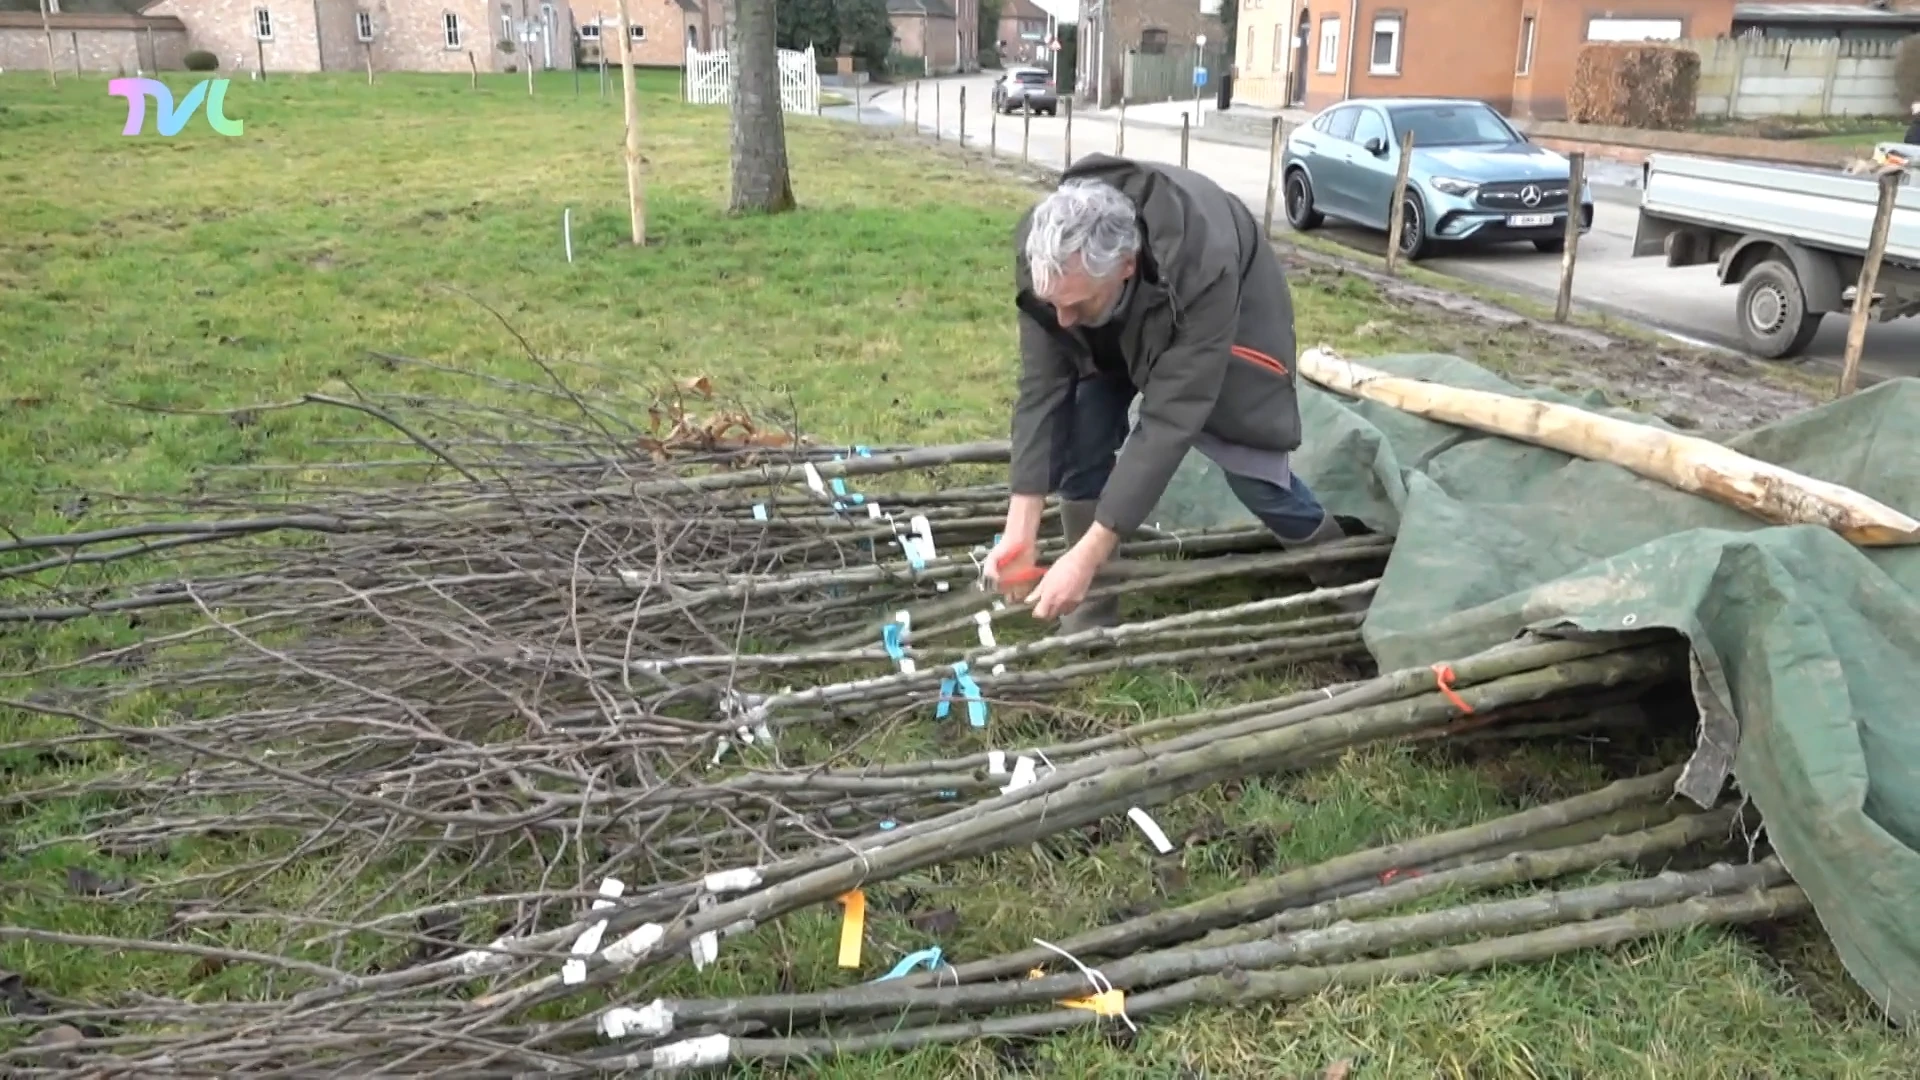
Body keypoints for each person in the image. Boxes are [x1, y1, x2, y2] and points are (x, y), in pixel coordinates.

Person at [985, 154, 1347, 630]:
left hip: (1218, 306)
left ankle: (1348, 580)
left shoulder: (1204, 265)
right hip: (1119, 306)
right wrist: (1021, 526)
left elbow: (1167, 422)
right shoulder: (1048, 256)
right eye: (1053, 305)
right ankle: (1090, 612)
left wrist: (1089, 552)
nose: (1062, 322)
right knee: (1082, 430)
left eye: (1073, 305)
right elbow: (1041, 388)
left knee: (1254, 471)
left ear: (1126, 267)